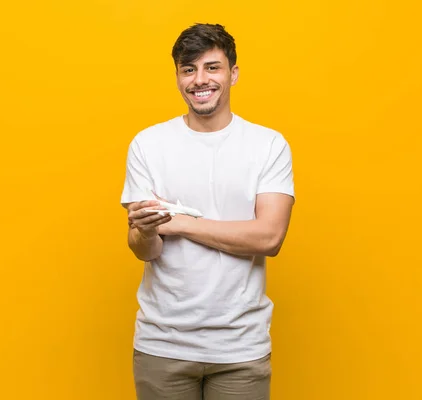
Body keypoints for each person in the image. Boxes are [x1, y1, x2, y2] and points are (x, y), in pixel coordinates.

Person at [120, 23, 295, 400]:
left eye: (212, 67)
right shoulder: (148, 144)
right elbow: (144, 250)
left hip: (240, 349)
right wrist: (147, 232)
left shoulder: (268, 145)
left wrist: (181, 223)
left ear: (233, 73)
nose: (200, 80)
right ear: (178, 77)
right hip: (162, 345)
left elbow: (268, 238)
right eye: (188, 69)